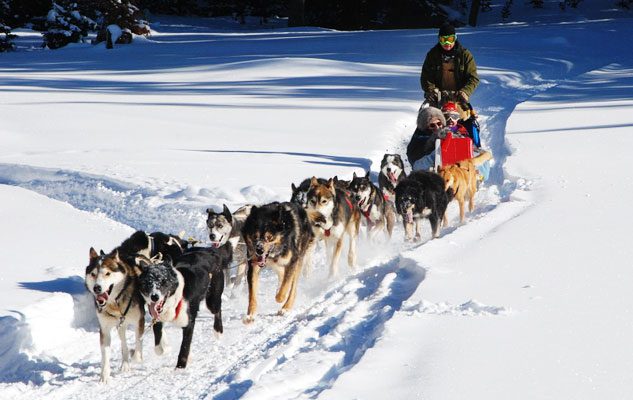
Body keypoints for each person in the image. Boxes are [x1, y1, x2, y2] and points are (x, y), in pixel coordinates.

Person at [421, 22, 479, 118]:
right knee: (434, 121)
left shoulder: (465, 55)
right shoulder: (433, 55)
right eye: (443, 40)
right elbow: (426, 76)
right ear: (439, 40)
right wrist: (431, 91)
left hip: (458, 97)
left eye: (450, 39)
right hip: (438, 97)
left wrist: (465, 92)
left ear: (455, 38)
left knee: (461, 120)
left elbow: (473, 78)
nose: (447, 43)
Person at [406, 106, 448, 172]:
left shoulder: (447, 133)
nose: (437, 127)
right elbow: (416, 165)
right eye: (432, 125)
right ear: (425, 126)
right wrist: (434, 156)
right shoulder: (418, 140)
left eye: (439, 123)